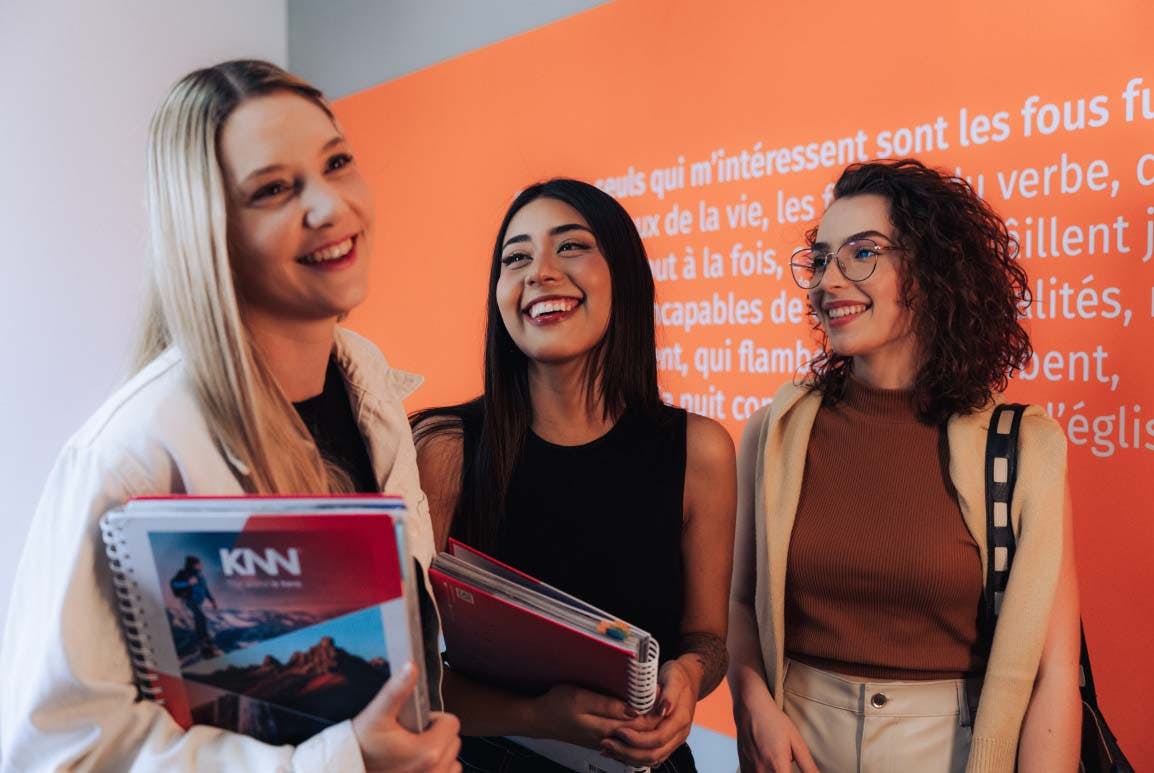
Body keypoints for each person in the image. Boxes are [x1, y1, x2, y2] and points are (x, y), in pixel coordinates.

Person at [0, 60, 460, 773]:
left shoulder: (368, 380)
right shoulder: (129, 454)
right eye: (274, 189)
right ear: (208, 231)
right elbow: (62, 753)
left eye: (337, 163)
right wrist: (341, 762)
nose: (330, 207)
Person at [727, 159, 1081, 773]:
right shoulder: (777, 430)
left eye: (862, 253)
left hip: (954, 753)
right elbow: (737, 604)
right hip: (797, 748)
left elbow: (1053, 672)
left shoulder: (1024, 446)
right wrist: (753, 707)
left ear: (931, 269)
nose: (828, 281)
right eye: (821, 258)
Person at [412, 178, 736, 772]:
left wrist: (689, 676)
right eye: (516, 258)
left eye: (570, 247)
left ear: (625, 276)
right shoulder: (445, 450)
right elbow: (405, 680)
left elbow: (708, 640)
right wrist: (537, 717)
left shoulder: (701, 450)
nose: (539, 272)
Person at [170, 555, 218, 658]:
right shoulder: (184, 574)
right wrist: (187, 583)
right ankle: (203, 640)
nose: (201, 565)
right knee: (200, 617)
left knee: (200, 618)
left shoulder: (200, 576)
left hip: (198, 602)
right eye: (198, 564)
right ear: (193, 565)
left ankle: (204, 639)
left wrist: (212, 599)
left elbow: (205, 589)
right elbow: (174, 584)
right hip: (189, 600)